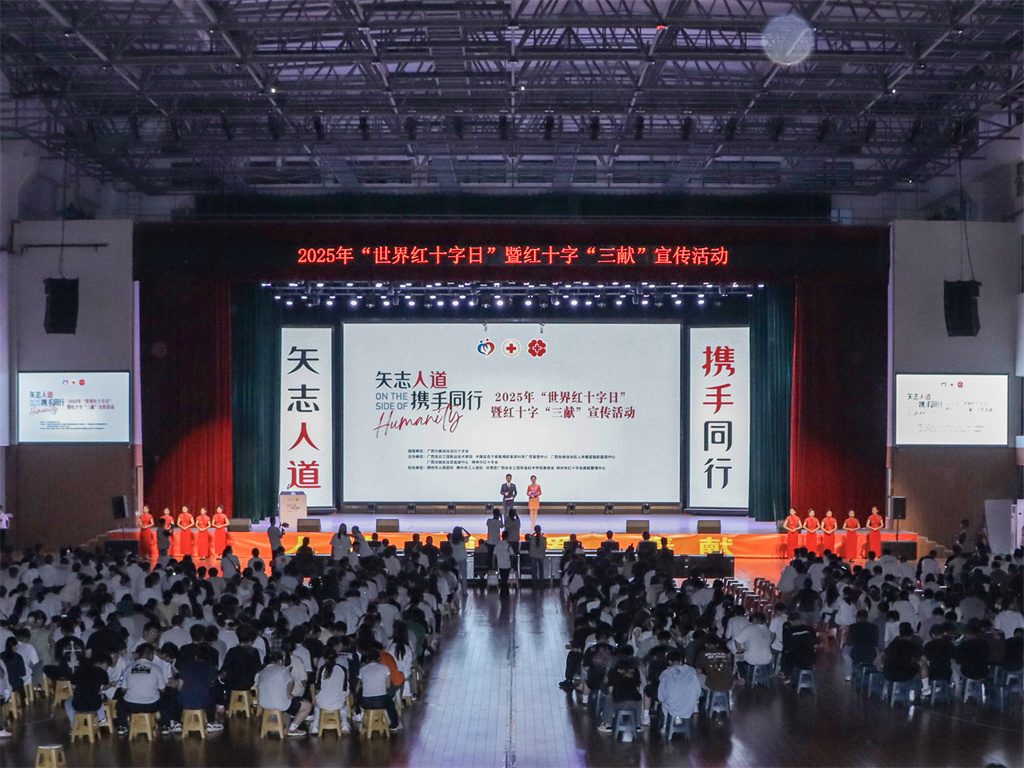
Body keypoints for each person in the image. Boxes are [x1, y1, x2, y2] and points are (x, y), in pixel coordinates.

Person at [116, 643, 169, 734]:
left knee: (120, 700)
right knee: (166, 697)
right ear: (151, 655)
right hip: (151, 705)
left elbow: (123, 689)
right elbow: (163, 689)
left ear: (139, 655)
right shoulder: (156, 669)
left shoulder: (129, 668)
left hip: (131, 706)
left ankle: (122, 725)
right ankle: (164, 725)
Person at [256, 651, 312, 737]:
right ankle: (292, 729)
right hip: (279, 704)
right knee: (307, 706)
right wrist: (289, 693)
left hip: (263, 703)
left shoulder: (262, 671)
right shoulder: (282, 670)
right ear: (280, 661)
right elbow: (291, 682)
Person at [357, 648, 400, 730]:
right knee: (390, 704)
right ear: (379, 658)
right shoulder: (385, 668)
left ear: (367, 659)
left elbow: (361, 684)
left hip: (366, 703)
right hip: (381, 702)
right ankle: (394, 724)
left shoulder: (362, 670)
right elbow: (388, 686)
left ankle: (359, 715)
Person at [310, 648, 350, 735]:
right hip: (338, 703)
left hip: (323, 703)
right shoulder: (342, 669)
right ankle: (344, 724)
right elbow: (345, 688)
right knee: (343, 707)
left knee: (317, 707)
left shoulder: (322, 669)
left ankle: (315, 727)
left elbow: (318, 686)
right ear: (336, 658)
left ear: (324, 658)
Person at [657, 651, 701, 723]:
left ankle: (666, 725)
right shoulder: (691, 671)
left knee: (664, 704)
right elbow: (698, 691)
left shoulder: (666, 674)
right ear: (680, 660)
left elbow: (661, 697)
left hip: (672, 708)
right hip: (689, 708)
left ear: (669, 662)